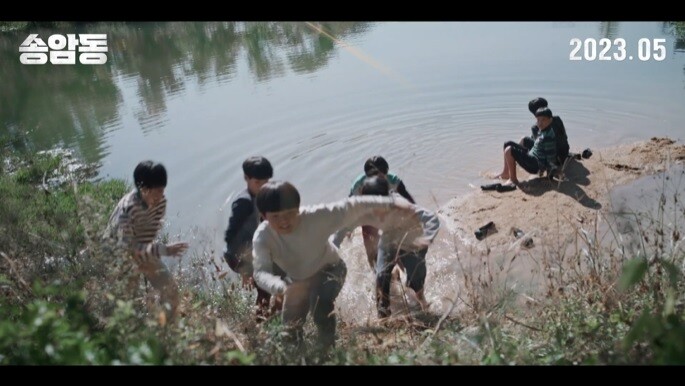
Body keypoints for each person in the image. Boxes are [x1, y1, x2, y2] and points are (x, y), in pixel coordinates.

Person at [251, 180, 419, 350]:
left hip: (331, 269)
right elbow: (260, 273)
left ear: (298, 209)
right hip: (296, 281)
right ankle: (301, 358)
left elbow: (352, 206)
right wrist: (280, 287)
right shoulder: (263, 237)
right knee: (289, 330)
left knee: (320, 308)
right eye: (276, 217)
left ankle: (328, 350)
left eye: (289, 214)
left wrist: (394, 204)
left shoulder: (314, 216)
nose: (284, 222)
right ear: (264, 216)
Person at [335, 176, 440, 318]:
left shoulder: (401, 205)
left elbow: (432, 218)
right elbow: (345, 226)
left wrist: (426, 239)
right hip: (388, 237)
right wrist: (332, 247)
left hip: (408, 237)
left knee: (416, 279)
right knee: (381, 274)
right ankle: (383, 315)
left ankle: (422, 300)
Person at [103, 161, 189, 321]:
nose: (161, 196)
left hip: (141, 247)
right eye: (157, 191)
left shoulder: (160, 202)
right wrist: (165, 250)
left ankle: (167, 330)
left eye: (163, 190)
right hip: (119, 251)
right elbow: (129, 249)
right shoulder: (128, 211)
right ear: (143, 189)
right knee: (126, 302)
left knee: (170, 291)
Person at [222, 156, 283, 321]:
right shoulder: (243, 203)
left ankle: (276, 317)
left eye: (266, 181)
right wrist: (244, 270)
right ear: (246, 179)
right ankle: (260, 326)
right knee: (265, 289)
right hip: (240, 256)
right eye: (258, 183)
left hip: (257, 249)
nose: (263, 186)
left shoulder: (264, 195)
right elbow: (234, 239)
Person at [340, 156, 416, 271]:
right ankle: (376, 275)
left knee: (395, 246)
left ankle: (401, 272)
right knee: (371, 250)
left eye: (383, 175)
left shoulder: (393, 180)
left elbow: (410, 201)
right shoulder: (358, 186)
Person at [496, 107, 558, 186]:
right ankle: (506, 173)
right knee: (509, 143)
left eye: (543, 120)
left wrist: (549, 176)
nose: (540, 123)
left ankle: (513, 180)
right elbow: (538, 144)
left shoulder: (548, 137)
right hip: (533, 155)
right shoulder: (544, 129)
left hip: (535, 165)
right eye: (538, 120)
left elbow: (551, 157)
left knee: (509, 150)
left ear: (550, 120)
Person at [512, 97, 569, 164]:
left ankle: (515, 160)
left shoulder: (535, 127)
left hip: (553, 159)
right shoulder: (557, 119)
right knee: (531, 138)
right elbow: (564, 136)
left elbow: (539, 147)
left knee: (524, 139)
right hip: (564, 153)